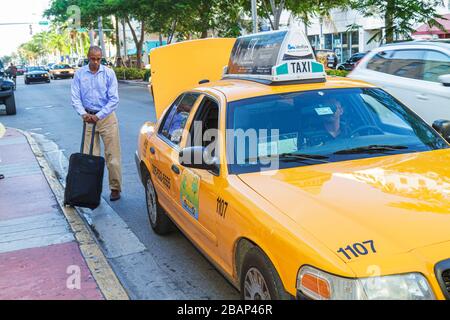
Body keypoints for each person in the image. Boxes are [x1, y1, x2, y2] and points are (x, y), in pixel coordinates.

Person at [71, 46, 122, 201]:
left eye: (98, 59)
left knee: (112, 156)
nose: (95, 62)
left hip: (106, 118)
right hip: (88, 118)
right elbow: (75, 97)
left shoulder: (108, 73)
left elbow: (114, 99)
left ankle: (115, 188)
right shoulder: (79, 74)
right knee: (90, 157)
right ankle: (91, 191)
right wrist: (83, 114)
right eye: (93, 58)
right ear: (88, 57)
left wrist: (98, 115)